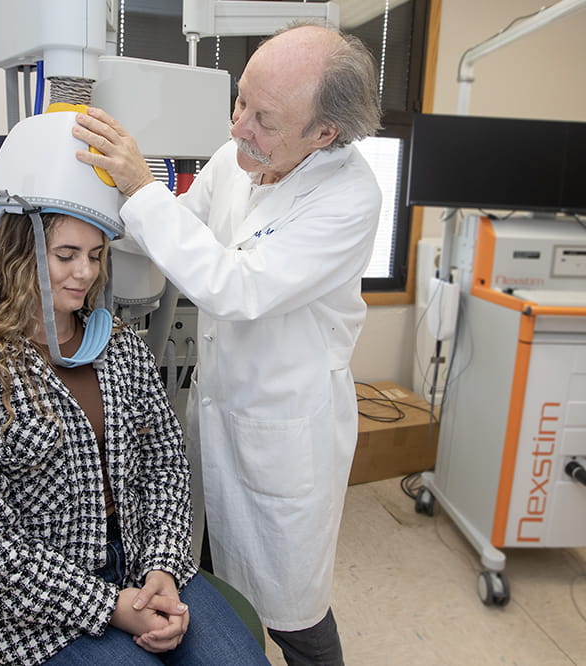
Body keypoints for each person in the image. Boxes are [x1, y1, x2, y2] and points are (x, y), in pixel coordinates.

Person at [72, 21, 383, 666]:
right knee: (214, 573)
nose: (240, 125)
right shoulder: (239, 159)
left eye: (263, 118)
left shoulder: (349, 199)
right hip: (218, 411)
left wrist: (139, 186)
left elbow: (234, 286)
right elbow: (173, 231)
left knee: (296, 617)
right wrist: (90, 217)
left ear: (323, 132)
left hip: (285, 434)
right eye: (240, 101)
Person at [0, 210, 269, 665]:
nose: (85, 272)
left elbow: (166, 464)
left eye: (95, 256)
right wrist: (111, 608)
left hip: (143, 555)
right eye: (66, 256)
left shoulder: (120, 347)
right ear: (17, 258)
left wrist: (162, 565)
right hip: (37, 598)